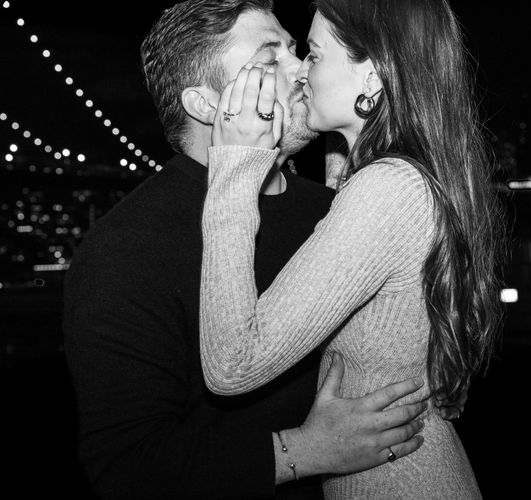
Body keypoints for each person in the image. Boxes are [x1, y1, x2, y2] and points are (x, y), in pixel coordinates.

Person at [62, 1, 434, 498]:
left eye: (297, 50)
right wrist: (307, 450)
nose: (301, 70)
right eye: (269, 60)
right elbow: (127, 466)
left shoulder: (338, 209)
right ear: (207, 105)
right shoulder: (126, 247)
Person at [199, 0, 506, 497]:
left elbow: (232, 364)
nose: (300, 75)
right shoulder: (394, 172)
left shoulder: (386, 190)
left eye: (314, 55)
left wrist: (233, 166)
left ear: (373, 74)